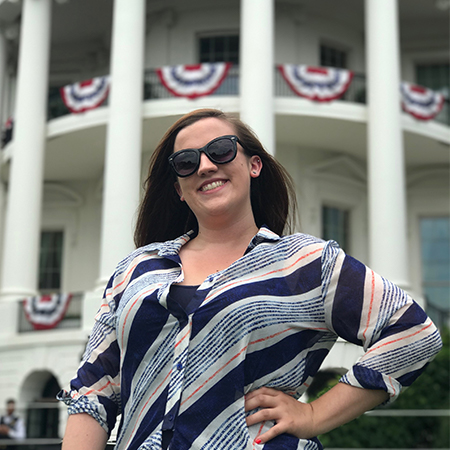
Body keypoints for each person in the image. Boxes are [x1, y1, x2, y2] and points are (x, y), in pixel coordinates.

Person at [59, 108, 442, 450]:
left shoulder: (306, 264)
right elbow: (94, 390)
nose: (206, 166)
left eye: (221, 150)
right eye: (187, 162)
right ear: (178, 188)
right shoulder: (136, 270)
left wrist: (314, 415)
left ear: (253, 165)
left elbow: (412, 334)